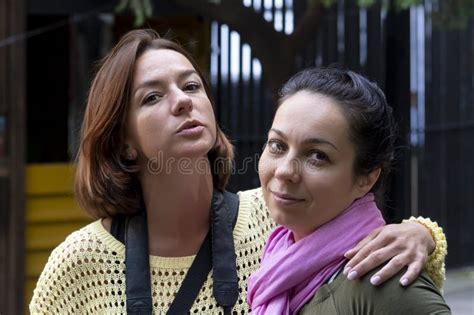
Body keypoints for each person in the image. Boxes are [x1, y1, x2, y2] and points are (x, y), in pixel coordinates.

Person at [30, 29, 446, 314]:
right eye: (153, 96)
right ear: (122, 141)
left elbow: (365, 245)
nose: (182, 101)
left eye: (191, 86)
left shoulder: (280, 217)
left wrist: (423, 235)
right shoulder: (78, 265)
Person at [247, 67, 450, 314]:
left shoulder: (382, 281)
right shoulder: (274, 253)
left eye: (317, 156)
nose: (284, 171)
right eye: (277, 145)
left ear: (366, 179)